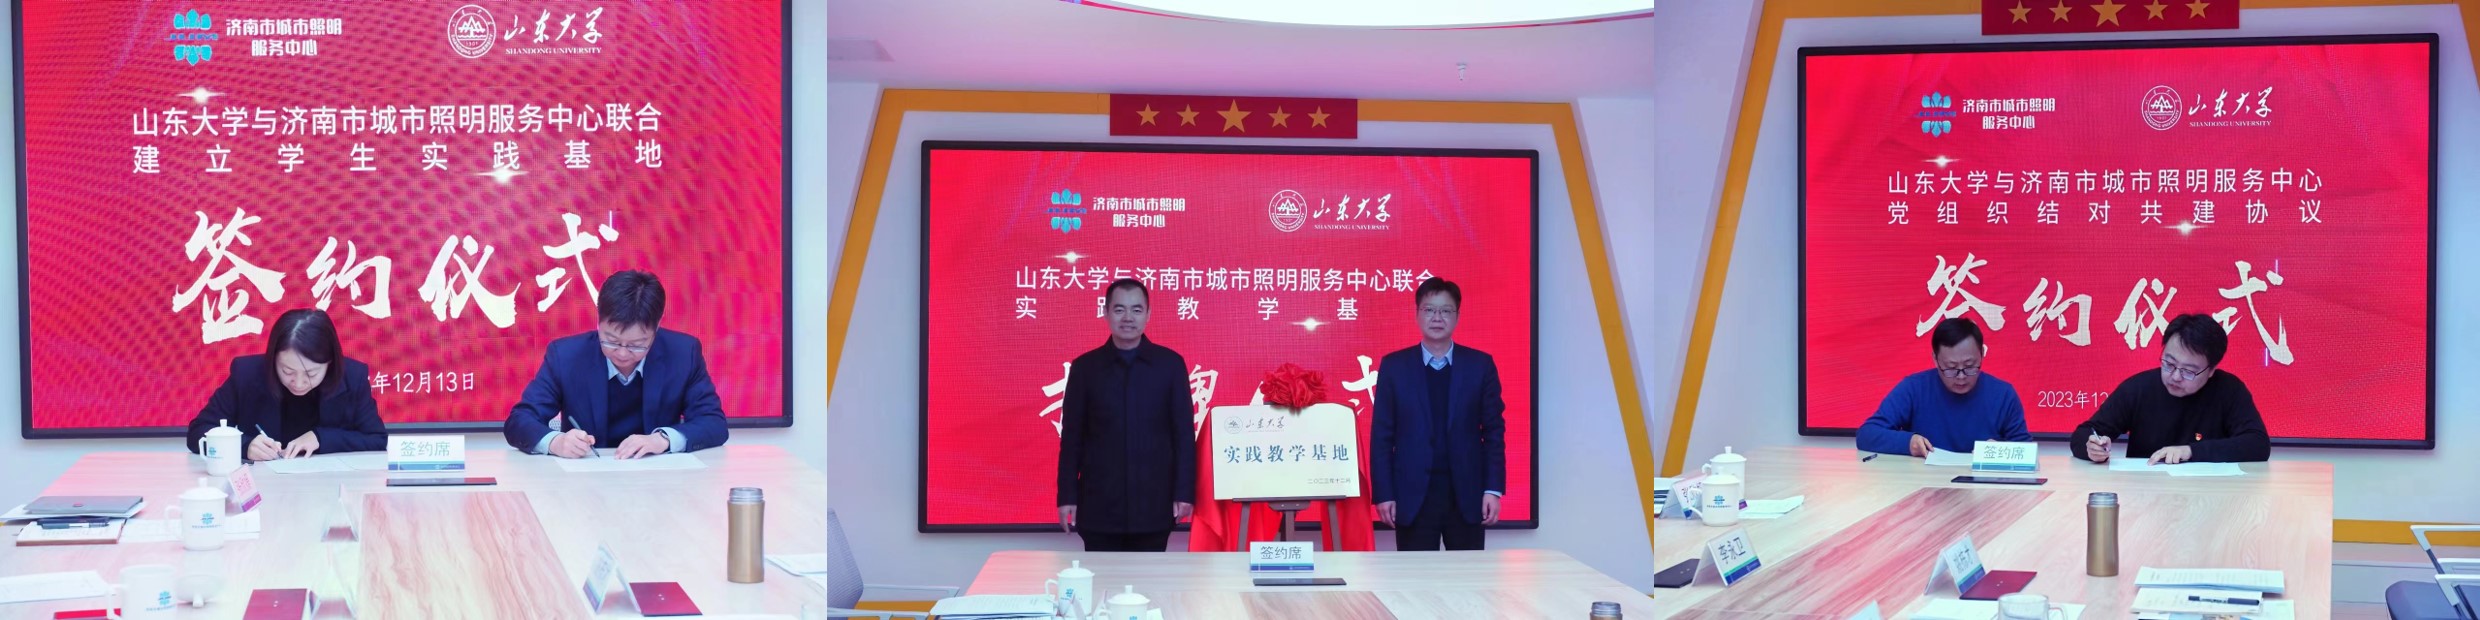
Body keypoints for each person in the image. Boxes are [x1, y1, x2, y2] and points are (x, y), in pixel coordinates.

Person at [504, 270, 728, 458]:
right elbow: (519, 421)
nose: (622, 353)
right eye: (611, 341)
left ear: (657, 326)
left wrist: (663, 439)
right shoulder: (566, 356)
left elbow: (713, 422)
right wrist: (556, 442)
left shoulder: (683, 353)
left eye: (636, 345)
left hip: (657, 477)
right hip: (587, 477)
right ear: (598, 321)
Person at [1056, 278, 1196, 552]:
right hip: (1099, 505)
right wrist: (1067, 496)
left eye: (1136, 309)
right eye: (1119, 309)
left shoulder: (1170, 365)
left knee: (1149, 578)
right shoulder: (1085, 368)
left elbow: (1183, 435)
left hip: (1154, 504)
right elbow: (1072, 438)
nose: (1128, 318)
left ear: (1148, 314)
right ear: (1106, 313)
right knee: (1101, 578)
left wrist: (1184, 492)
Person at [1372, 277, 1508, 551]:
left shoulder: (1480, 365)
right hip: (1412, 495)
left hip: (1466, 495)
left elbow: (1494, 432)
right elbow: (1382, 437)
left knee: (1467, 576)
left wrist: (1492, 489)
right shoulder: (1394, 367)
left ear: (1457, 316)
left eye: (1446, 310)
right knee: (1416, 576)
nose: (1437, 318)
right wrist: (1384, 493)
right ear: (1417, 314)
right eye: (1429, 310)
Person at [186, 308, 387, 460]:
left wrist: (321, 438)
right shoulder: (246, 374)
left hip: (330, 485)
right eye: (287, 371)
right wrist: (244, 446)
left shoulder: (352, 377)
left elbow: (377, 439)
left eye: (311, 374)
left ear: (330, 363)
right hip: (265, 485)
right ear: (273, 359)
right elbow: (198, 432)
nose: (298, 383)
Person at [2071, 313, 2272, 464]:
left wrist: (2190, 451)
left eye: (2188, 371)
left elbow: (2257, 444)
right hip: (2146, 493)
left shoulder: (2229, 390)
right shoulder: (2139, 388)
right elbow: (2083, 434)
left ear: (2211, 370)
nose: (2175, 377)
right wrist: (2092, 448)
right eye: (2169, 363)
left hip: (2208, 494)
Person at [1856, 318, 2031, 456]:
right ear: (1935, 359)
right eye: (1951, 368)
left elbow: (2026, 451)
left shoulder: (2003, 394)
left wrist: (2001, 450)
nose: (1961, 377)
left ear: (1982, 354)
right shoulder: (1914, 388)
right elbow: (1867, 434)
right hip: (1924, 484)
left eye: (1970, 366)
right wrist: (1908, 443)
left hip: (1984, 485)